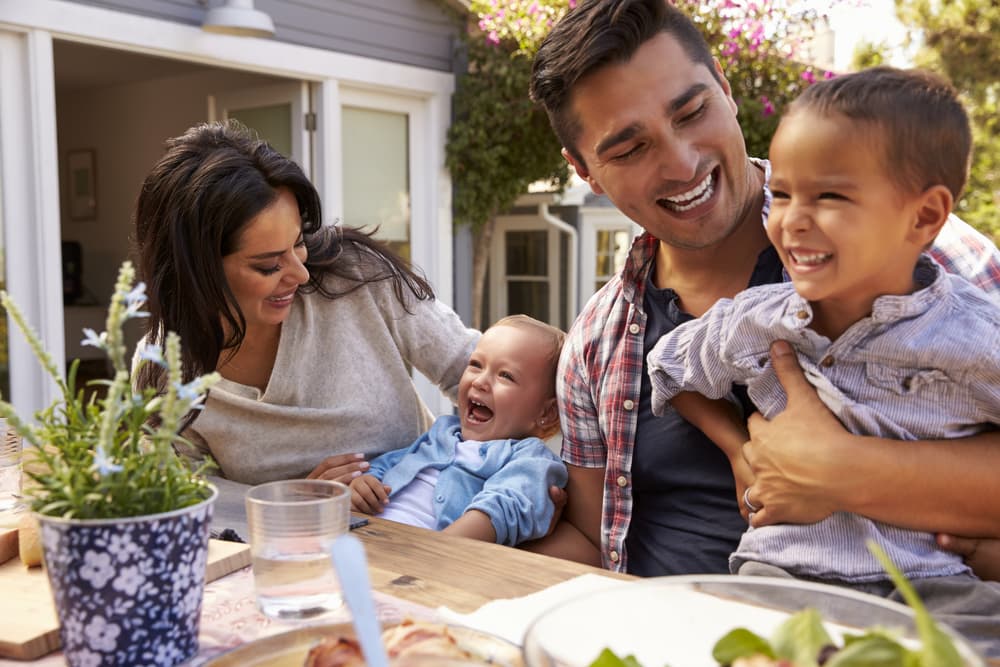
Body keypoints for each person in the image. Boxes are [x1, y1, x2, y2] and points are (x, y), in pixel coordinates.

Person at [525, 0, 1000, 577]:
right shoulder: (593, 342)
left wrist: (836, 470)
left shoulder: (925, 250)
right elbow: (592, 537)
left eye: (692, 112)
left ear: (724, 88)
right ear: (585, 171)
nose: (682, 163)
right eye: (629, 149)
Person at [645, 67, 1000, 653]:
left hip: (931, 587)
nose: (791, 219)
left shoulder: (974, 333)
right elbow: (668, 366)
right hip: (780, 578)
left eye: (830, 196)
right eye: (781, 193)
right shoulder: (758, 319)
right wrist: (740, 450)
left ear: (924, 216)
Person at [132, 120, 480, 489]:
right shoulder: (164, 371)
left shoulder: (357, 277)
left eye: (299, 242)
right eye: (268, 265)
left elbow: (475, 371)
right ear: (197, 272)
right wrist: (297, 498)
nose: (299, 273)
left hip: (431, 521)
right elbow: (192, 499)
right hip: (290, 544)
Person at [350, 315, 568, 546]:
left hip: (423, 558)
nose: (480, 382)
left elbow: (506, 505)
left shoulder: (530, 459)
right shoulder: (441, 433)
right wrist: (366, 483)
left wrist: (437, 550)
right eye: (475, 365)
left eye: (506, 375)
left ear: (547, 413)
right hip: (360, 538)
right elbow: (392, 463)